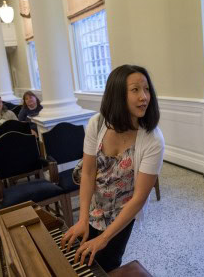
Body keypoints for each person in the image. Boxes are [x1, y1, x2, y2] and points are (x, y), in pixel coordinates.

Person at [60, 64, 164, 273]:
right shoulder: (97, 124)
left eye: (146, 89)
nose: (144, 97)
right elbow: (88, 173)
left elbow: (139, 198)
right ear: (117, 94)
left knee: (104, 264)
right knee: (79, 256)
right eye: (135, 90)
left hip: (123, 213)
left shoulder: (153, 140)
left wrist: (105, 238)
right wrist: (82, 219)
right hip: (94, 205)